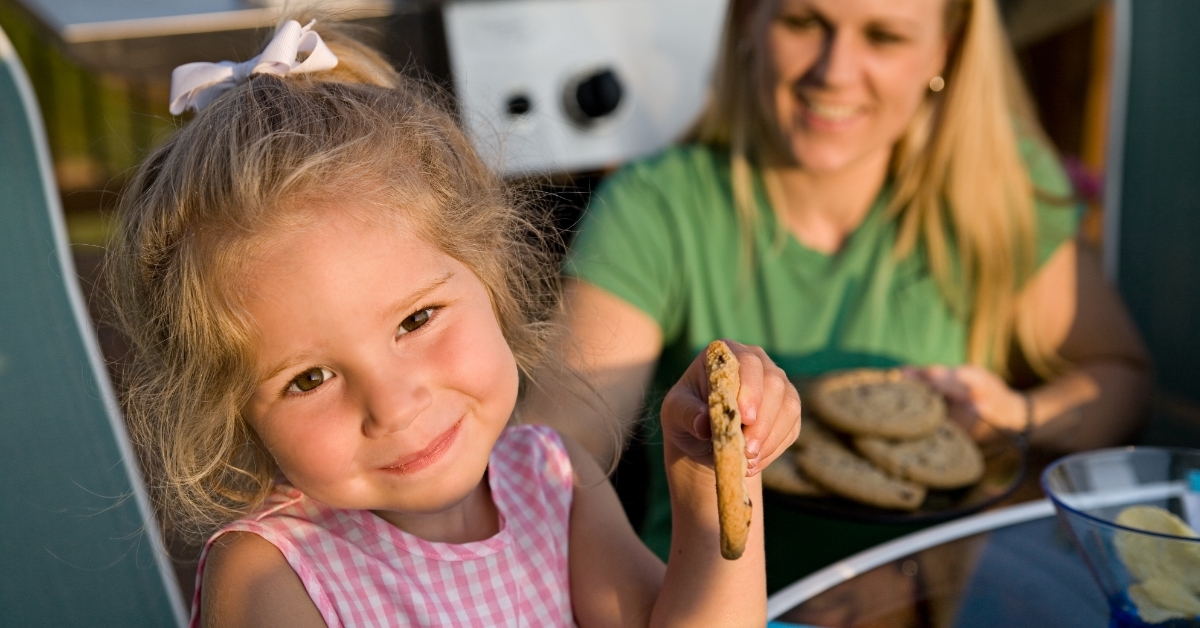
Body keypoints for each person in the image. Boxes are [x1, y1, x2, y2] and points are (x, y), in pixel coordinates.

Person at [106, 19, 799, 627]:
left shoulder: (551, 483)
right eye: (309, 377)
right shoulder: (272, 575)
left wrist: (714, 487)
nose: (392, 404)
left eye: (417, 320)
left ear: (491, 278)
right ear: (232, 410)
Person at [522, 0, 1152, 591]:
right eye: (804, 21)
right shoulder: (656, 207)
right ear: (748, 19)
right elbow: (560, 447)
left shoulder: (995, 192)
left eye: (884, 35)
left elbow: (1118, 379)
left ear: (946, 50)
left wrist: (1018, 418)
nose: (835, 71)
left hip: (940, 603)